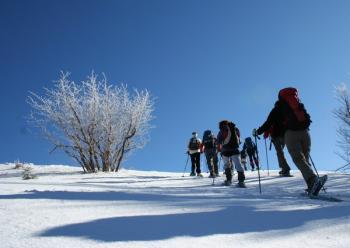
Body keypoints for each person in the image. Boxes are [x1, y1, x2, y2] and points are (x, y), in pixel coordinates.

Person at [253, 87, 327, 196]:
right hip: (306, 133)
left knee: (298, 159)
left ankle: (313, 180)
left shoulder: (277, 108)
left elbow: (268, 123)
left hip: (291, 134)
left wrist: (257, 132)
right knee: (305, 160)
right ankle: (312, 185)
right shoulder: (298, 104)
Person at [259, 107, 292, 177]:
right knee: (280, 153)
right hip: (284, 136)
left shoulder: (272, 119)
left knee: (280, 153)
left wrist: (264, 135)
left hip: (276, 138)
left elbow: (266, 131)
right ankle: (284, 168)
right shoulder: (282, 116)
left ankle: (285, 168)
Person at [217, 120, 246, 187]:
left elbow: (219, 141)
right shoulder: (234, 128)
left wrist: (219, 149)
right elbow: (239, 139)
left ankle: (228, 180)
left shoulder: (221, 130)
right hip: (235, 149)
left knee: (227, 165)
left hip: (225, 150)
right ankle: (241, 181)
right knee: (238, 164)